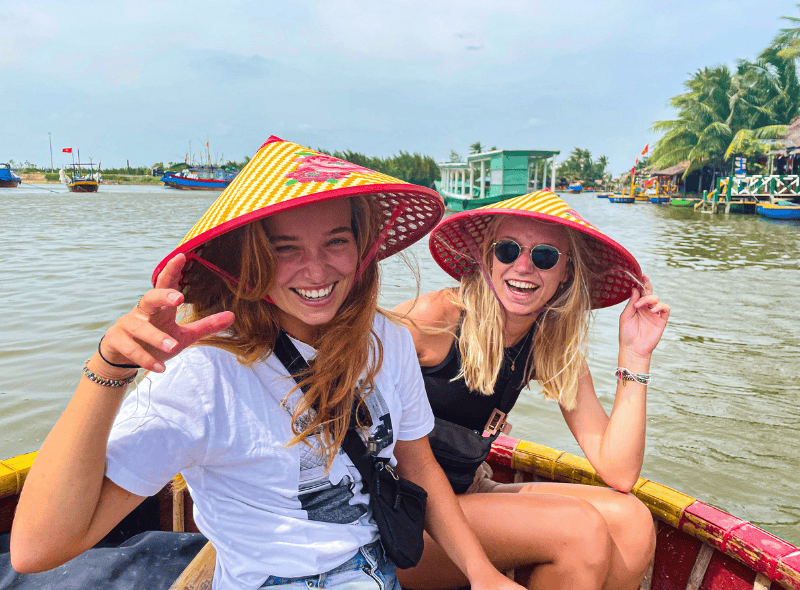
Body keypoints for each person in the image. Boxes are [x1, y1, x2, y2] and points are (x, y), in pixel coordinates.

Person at [11, 137, 525, 590]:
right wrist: (112, 368)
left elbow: (417, 464)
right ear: (250, 259)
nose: (317, 270)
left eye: (336, 242)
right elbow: (38, 548)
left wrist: (482, 574)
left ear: (362, 247)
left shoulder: (385, 339)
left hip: (379, 569)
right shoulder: (205, 374)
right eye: (286, 249)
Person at [393, 190, 671, 590]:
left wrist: (635, 355)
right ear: (487, 258)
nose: (522, 267)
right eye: (507, 250)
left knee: (631, 521)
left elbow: (618, 469)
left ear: (567, 273)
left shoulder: (549, 343)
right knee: (578, 529)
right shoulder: (432, 320)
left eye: (544, 257)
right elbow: (340, 377)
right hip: (400, 516)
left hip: (468, 493)